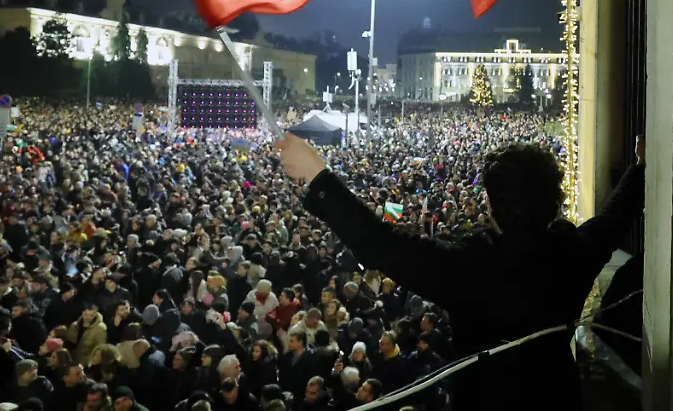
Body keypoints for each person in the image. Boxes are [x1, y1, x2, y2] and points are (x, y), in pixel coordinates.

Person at [274, 133, 647, 411]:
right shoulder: (573, 252)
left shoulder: (470, 267)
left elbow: (382, 245)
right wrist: (640, 168)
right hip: (557, 399)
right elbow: (613, 220)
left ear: (491, 204)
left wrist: (318, 175)